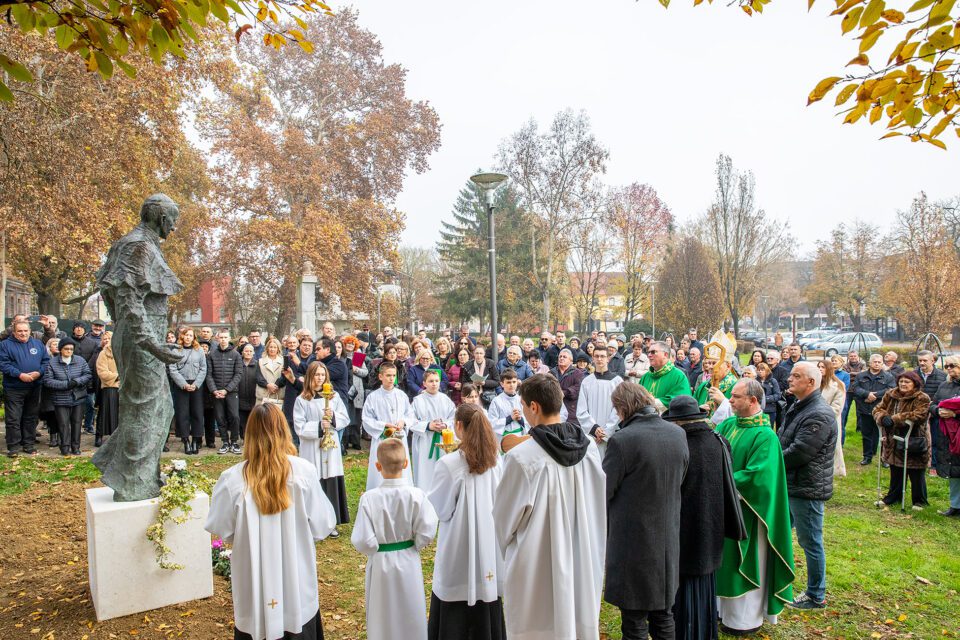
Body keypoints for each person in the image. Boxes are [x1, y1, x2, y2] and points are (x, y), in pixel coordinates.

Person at [205, 403, 336, 640]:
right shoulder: (303, 471)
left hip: (253, 580)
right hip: (296, 577)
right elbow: (323, 524)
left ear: (249, 433)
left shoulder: (232, 479)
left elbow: (223, 528)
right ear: (283, 430)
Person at [492, 374, 606, 640]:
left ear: (533, 407)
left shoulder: (522, 457)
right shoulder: (589, 451)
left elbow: (504, 520)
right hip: (582, 552)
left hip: (537, 559)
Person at [603, 383, 689, 640]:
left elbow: (604, 490)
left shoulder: (622, 440)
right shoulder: (677, 434)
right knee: (663, 613)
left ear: (622, 408)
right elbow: (681, 477)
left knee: (634, 619)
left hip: (633, 539)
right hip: (667, 535)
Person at [715, 379, 795, 636]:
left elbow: (759, 477)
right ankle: (721, 611)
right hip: (725, 508)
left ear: (752, 400)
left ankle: (743, 620)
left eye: (736, 397)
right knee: (722, 561)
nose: (730, 400)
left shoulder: (765, 436)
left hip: (750, 512)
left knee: (745, 560)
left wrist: (721, 480)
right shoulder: (728, 425)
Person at [663, 395, 743, 640]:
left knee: (682, 594)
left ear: (678, 422)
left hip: (684, 530)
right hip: (712, 528)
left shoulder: (678, 445)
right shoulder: (718, 441)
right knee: (704, 588)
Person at [426, 402, 506, 640]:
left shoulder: (449, 464)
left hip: (458, 545)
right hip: (489, 545)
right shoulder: (496, 461)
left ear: (458, 426)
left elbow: (440, 509)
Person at [351, 438, 439, 640]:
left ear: (377, 466)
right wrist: (415, 544)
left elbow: (362, 538)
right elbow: (427, 528)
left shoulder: (370, 498)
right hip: (408, 559)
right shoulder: (417, 495)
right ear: (406, 464)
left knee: (383, 610)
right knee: (410, 605)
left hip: (381, 563)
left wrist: (375, 548)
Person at [779, 362, 838, 610]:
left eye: (796, 376)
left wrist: (771, 460)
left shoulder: (818, 413)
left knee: (811, 540)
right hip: (793, 484)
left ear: (811, 383)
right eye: (791, 375)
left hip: (807, 488)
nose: (789, 379)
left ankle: (816, 594)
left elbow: (800, 452)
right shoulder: (799, 405)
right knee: (781, 532)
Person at [294, 361, 350, 527]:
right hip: (312, 446)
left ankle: (332, 520)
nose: (320, 378)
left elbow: (345, 418)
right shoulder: (302, 400)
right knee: (315, 478)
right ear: (310, 376)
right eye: (316, 375)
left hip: (330, 446)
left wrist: (333, 418)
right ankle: (314, 520)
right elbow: (299, 426)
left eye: (322, 375)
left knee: (330, 477)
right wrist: (319, 426)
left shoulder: (334, 397)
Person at [873, 371, 932, 510]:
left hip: (914, 438)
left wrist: (894, 418)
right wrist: (882, 417)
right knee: (896, 469)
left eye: (907, 382)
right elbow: (877, 409)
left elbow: (920, 415)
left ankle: (919, 501)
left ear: (914, 384)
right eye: (901, 381)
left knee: (916, 471)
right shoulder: (891, 394)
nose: (903, 384)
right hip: (893, 438)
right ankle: (893, 497)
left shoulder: (921, 397)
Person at [0, 319, 50, 457]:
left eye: (25, 331)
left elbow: (46, 361)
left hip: (34, 386)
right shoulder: (5, 345)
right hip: (14, 388)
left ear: (30, 331)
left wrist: (38, 372)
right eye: (20, 331)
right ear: (14, 332)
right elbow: (3, 364)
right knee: (13, 418)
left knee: (31, 417)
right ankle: (13, 447)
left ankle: (28, 444)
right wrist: (19, 374)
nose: (23, 333)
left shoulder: (38, 344)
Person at [362, 361, 414, 490]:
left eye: (394, 375)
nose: (391, 379)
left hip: (399, 438)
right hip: (381, 438)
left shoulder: (401, 395)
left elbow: (410, 414)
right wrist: (384, 425)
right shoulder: (373, 397)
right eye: (388, 375)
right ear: (381, 376)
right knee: (380, 469)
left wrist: (403, 421)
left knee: (401, 467)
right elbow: (366, 419)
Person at [43, 337, 92, 457]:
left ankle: (76, 447)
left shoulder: (80, 360)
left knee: (77, 423)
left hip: (78, 397)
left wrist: (77, 381)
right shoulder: (53, 362)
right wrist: (66, 385)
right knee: (63, 424)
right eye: (66, 348)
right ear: (61, 349)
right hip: (60, 398)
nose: (69, 351)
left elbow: (88, 374)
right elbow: (48, 381)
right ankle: (64, 447)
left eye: (71, 349)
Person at [410, 369, 456, 490]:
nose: (434, 384)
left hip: (443, 439)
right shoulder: (418, 401)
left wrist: (445, 425)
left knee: (443, 470)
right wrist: (427, 425)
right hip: (425, 440)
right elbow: (411, 420)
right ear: (424, 383)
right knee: (425, 471)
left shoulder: (445, 399)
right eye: (431, 381)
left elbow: (454, 418)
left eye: (436, 381)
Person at [576, 347, 623, 456]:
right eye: (596, 356)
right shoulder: (587, 382)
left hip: (610, 435)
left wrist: (606, 433)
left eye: (602, 356)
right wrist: (594, 429)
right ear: (592, 358)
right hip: (591, 436)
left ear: (608, 359)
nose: (599, 359)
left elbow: (619, 409)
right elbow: (581, 410)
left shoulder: (617, 382)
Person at [168, 327, 207, 455]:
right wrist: (183, 384)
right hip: (182, 386)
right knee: (182, 414)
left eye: (191, 335)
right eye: (186, 335)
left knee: (197, 412)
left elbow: (203, 368)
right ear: (182, 336)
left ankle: (196, 439)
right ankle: (185, 440)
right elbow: (172, 369)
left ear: (194, 337)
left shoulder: (199, 350)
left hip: (196, 386)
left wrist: (196, 384)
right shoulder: (175, 350)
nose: (188, 337)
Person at [851, 354, 895, 466]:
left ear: (882, 363)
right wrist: (867, 394)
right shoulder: (861, 376)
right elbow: (855, 388)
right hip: (864, 409)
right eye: (874, 362)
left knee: (882, 435)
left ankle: (883, 458)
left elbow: (891, 390)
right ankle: (867, 456)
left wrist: (875, 396)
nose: (877, 364)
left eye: (879, 362)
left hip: (881, 410)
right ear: (870, 363)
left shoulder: (888, 377)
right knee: (866, 434)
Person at [931, 354, 960, 517]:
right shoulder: (944, 386)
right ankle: (955, 505)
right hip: (947, 436)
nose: (949, 369)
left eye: (953, 366)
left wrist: (955, 415)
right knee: (954, 471)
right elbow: (933, 404)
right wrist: (937, 411)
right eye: (947, 366)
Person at [207, 329, 243, 455]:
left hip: (231, 392)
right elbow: (209, 374)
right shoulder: (212, 354)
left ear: (229, 338)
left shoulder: (236, 355)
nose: (223, 339)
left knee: (234, 416)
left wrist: (226, 390)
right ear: (217, 339)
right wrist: (214, 390)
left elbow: (238, 374)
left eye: (225, 337)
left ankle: (234, 442)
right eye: (221, 337)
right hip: (216, 392)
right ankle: (225, 442)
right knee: (220, 417)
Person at [279, 336, 313, 448]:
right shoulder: (290, 358)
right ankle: (293, 447)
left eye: (309, 346)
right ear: (299, 345)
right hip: (292, 394)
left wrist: (301, 378)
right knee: (291, 421)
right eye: (304, 345)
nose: (307, 347)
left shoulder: (314, 360)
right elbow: (284, 377)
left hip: (308, 396)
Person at [916, 350, 947, 474]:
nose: (922, 363)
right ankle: (919, 462)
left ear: (933, 361)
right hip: (917, 412)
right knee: (918, 438)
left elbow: (944, 394)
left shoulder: (942, 376)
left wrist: (933, 405)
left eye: (925, 360)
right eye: (920, 361)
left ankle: (933, 465)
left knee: (934, 439)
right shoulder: (913, 374)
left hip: (934, 412)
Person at [640, 340, 693, 412]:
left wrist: (653, 401)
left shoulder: (678, 376)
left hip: (669, 420)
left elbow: (682, 401)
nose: (649, 355)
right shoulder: (645, 377)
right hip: (646, 421)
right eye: (648, 352)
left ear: (665, 354)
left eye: (653, 352)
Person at [817, 359, 847, 478]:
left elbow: (837, 408)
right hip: (813, 420)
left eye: (823, 367)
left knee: (832, 446)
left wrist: (820, 415)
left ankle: (836, 469)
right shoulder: (815, 383)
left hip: (830, 420)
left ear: (829, 369)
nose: (820, 369)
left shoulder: (838, 385)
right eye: (818, 366)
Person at [488, 369, 527, 443]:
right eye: (508, 382)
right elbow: (491, 423)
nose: (512, 385)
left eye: (514, 382)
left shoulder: (521, 399)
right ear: (502, 384)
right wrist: (509, 419)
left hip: (521, 437)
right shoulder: (496, 401)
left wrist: (520, 419)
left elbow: (529, 421)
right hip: (504, 439)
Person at [95, 331, 119, 448]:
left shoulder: (122, 351)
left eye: (110, 338)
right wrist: (118, 376)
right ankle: (99, 435)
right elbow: (102, 372)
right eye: (105, 338)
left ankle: (117, 437)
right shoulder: (103, 354)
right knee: (105, 412)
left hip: (123, 388)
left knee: (120, 414)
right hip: (109, 386)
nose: (107, 340)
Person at [255, 337, 285, 407]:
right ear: (267, 348)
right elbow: (258, 377)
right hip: (263, 395)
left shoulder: (283, 361)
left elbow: (285, 377)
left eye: (275, 347)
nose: (272, 349)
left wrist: (275, 385)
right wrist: (267, 385)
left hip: (278, 395)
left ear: (278, 349)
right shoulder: (260, 361)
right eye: (270, 347)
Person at [238, 343, 259, 441]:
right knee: (242, 420)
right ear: (242, 352)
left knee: (253, 420)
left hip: (253, 397)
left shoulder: (257, 365)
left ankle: (252, 439)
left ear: (253, 353)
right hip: (240, 396)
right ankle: (244, 438)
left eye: (250, 351)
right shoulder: (238, 364)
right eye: (246, 351)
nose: (248, 353)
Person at [842, 350, 865, 435]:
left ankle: (859, 429)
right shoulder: (844, 365)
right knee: (845, 410)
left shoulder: (862, 365)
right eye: (851, 356)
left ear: (858, 356)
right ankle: (842, 426)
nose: (853, 357)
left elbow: (863, 375)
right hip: (848, 391)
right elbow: (846, 375)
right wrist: (858, 375)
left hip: (859, 390)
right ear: (848, 357)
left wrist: (851, 374)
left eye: (855, 356)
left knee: (859, 411)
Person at [757, 362, 781, 427]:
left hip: (770, 410)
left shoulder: (773, 381)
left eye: (762, 370)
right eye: (758, 370)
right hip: (757, 410)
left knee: (769, 428)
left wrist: (765, 399)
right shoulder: (755, 381)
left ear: (767, 371)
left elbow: (777, 395)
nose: (760, 371)